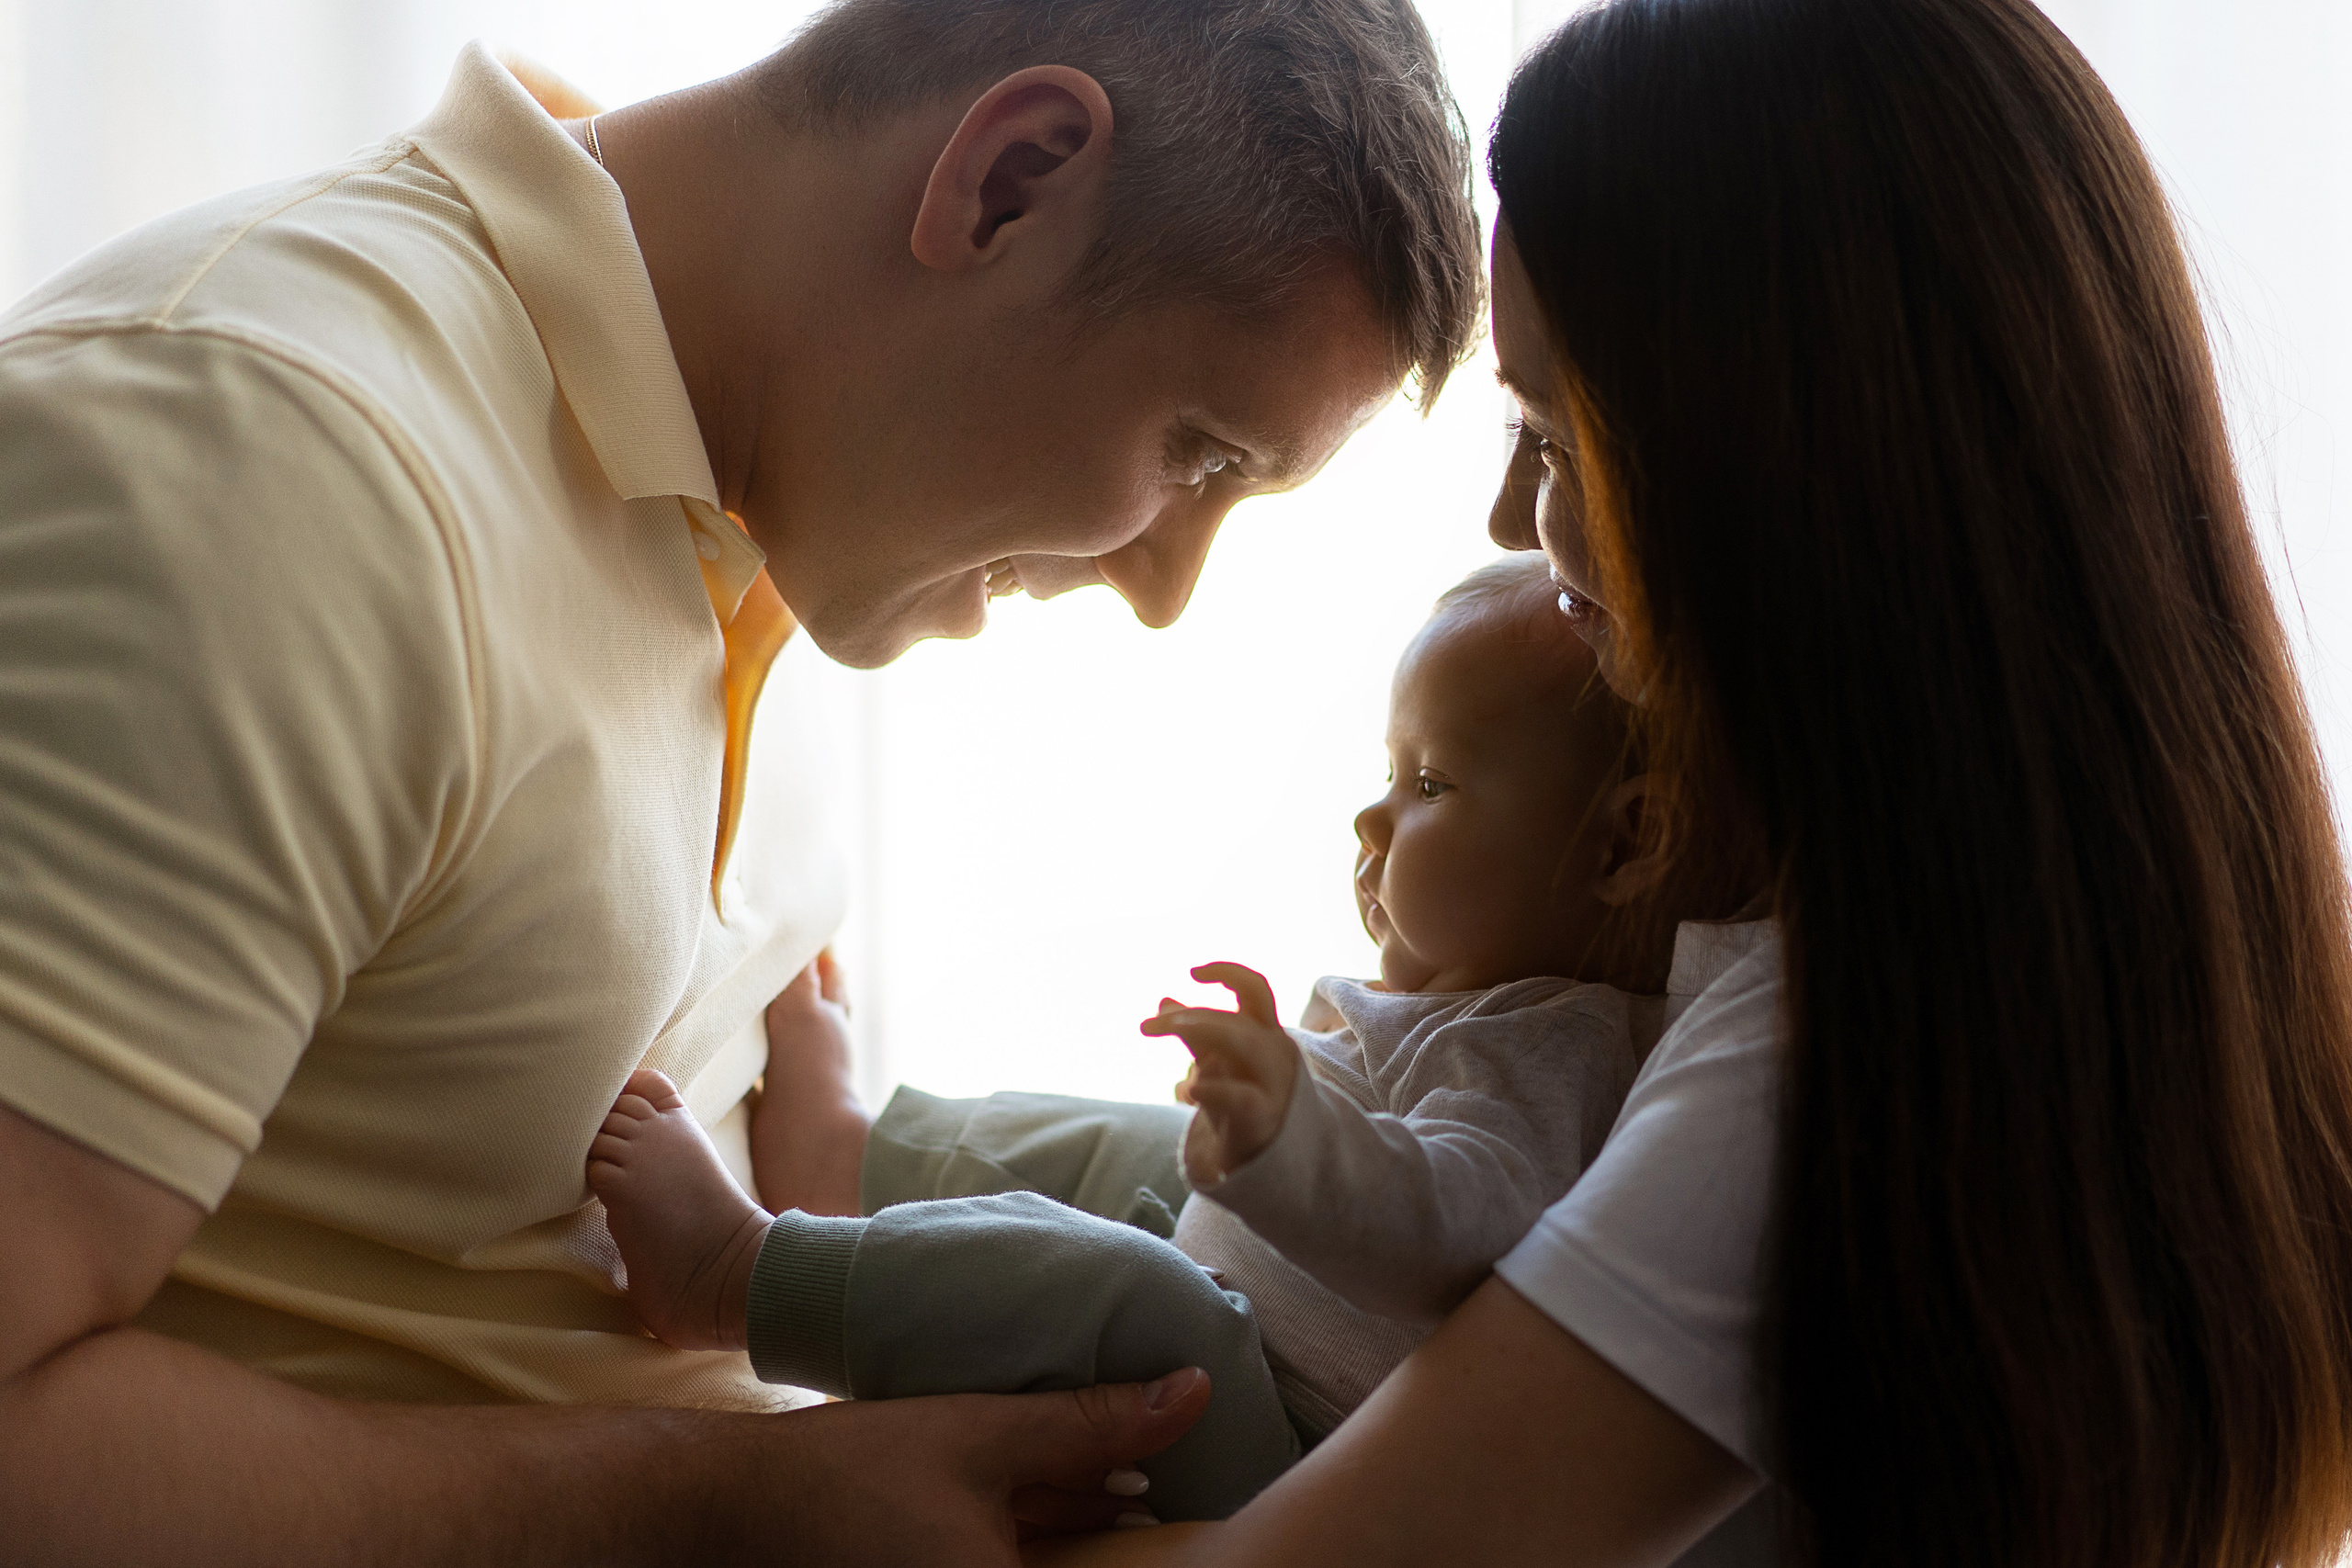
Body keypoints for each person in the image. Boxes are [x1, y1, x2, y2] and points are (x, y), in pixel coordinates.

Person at [0, 1, 1486, 1562]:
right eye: (1198, 453)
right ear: (1010, 180)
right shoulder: (270, 463)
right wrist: (726, 1497)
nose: (1167, 584)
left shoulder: (766, 496)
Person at [1024, 1, 2352, 1565]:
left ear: (1780, 471)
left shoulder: (1806, 1070)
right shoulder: (2123, 959)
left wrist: (804, 1499)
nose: (1517, 519)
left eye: (1557, 438)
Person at [584, 553, 1736, 1521]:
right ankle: (855, 1158)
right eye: (1388, 772)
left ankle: (739, 1279)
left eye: (1429, 782)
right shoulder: (1480, 1008)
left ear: (1621, 846)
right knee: (1129, 1148)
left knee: (1129, 1290)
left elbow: (1442, 1227)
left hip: (1283, 1450)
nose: (1369, 816)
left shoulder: (1552, 1051)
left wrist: (1292, 1133)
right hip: (1256, 1331)